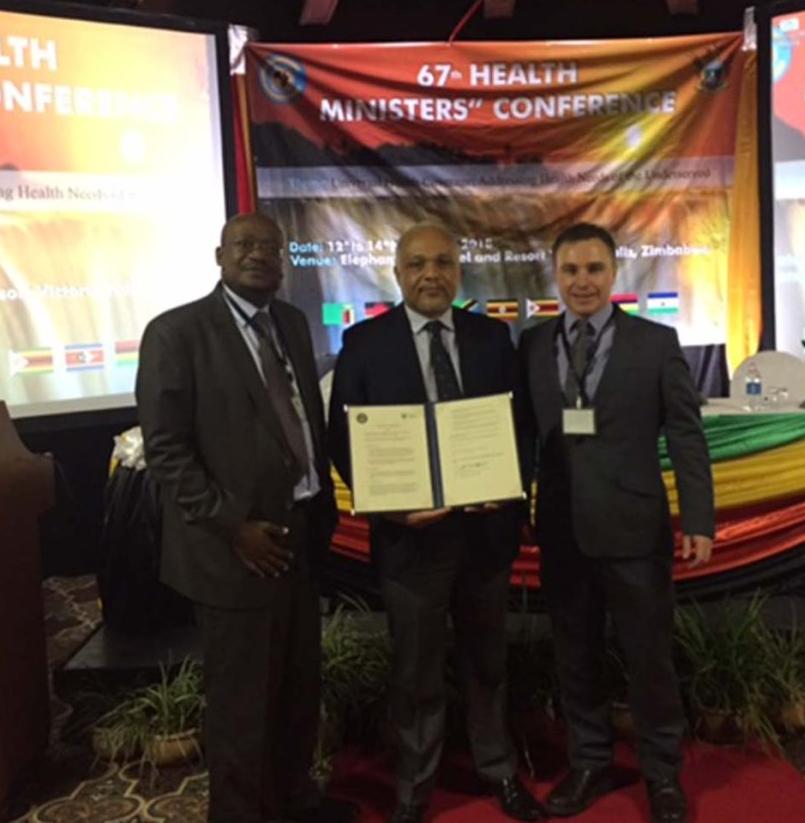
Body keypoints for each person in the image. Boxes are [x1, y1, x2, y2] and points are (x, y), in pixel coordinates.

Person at [137, 212, 357, 823]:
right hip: (233, 548)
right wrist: (232, 525)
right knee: (240, 702)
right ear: (219, 255)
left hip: (300, 533)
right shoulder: (176, 333)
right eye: (244, 244)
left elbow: (302, 423)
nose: (258, 254)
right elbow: (166, 451)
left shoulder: (291, 322)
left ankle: (294, 800)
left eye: (270, 246)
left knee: (296, 685)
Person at [328, 223, 544, 823]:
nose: (431, 274)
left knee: (488, 664)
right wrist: (386, 503)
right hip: (410, 541)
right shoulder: (364, 343)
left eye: (444, 262)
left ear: (458, 271)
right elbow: (342, 437)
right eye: (418, 263)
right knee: (415, 672)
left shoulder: (492, 337)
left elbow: (522, 427)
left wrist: (507, 485)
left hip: (486, 537)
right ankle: (413, 791)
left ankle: (499, 771)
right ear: (397, 273)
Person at [517, 222, 715, 823]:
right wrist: (510, 506)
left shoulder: (655, 343)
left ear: (613, 273)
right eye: (571, 270)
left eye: (594, 269)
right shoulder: (531, 344)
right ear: (555, 275)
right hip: (561, 530)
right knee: (575, 657)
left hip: (635, 530)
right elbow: (520, 437)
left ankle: (663, 776)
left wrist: (699, 518)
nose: (583, 282)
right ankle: (590, 764)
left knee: (649, 660)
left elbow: (686, 434)